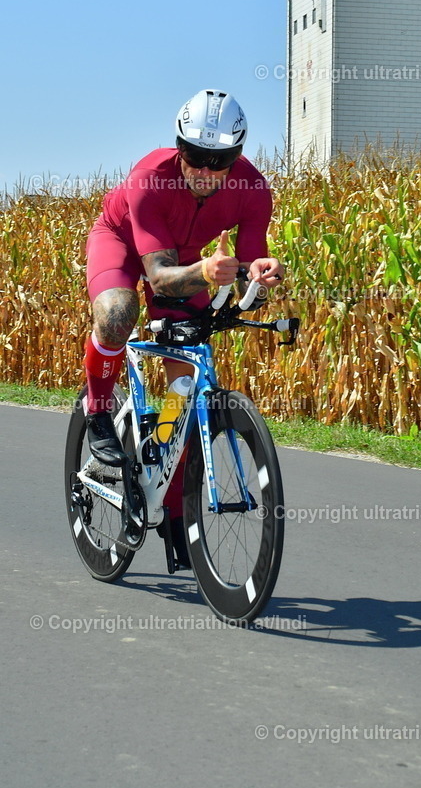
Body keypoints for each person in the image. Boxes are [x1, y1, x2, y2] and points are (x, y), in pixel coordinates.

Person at [84, 88, 284, 563]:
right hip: (126, 247)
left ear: (237, 157)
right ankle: (96, 410)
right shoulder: (150, 178)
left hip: (189, 262)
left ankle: (171, 506)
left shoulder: (252, 190)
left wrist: (261, 271)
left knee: (185, 387)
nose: (205, 171)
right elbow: (157, 278)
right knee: (116, 312)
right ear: (179, 147)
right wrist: (204, 273)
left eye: (220, 161)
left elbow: (250, 259)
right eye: (194, 156)